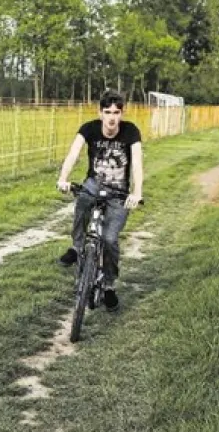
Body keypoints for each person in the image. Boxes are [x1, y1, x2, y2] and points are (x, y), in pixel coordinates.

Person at [55, 89, 143, 312]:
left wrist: (137, 192)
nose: (112, 117)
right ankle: (76, 248)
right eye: (107, 112)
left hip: (119, 191)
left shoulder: (130, 131)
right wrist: (63, 179)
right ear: (100, 112)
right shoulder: (89, 128)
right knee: (82, 202)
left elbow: (137, 164)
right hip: (94, 184)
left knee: (110, 239)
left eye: (117, 112)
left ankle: (109, 285)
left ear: (122, 113)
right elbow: (73, 154)